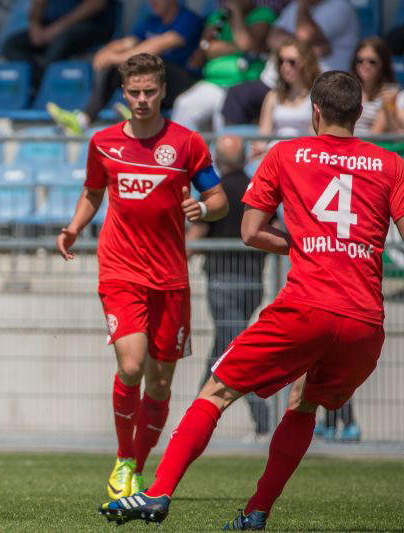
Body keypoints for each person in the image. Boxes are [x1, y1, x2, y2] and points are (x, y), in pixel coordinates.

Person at [100, 70, 404, 530]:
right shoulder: (392, 164)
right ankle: (256, 512)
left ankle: (157, 493)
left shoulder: (284, 154)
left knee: (216, 391)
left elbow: (249, 232)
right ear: (360, 113)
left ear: (314, 112)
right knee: (304, 402)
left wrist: (301, 243)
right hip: (364, 321)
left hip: (306, 307)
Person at [56, 53, 228, 501]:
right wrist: (75, 227)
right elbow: (93, 192)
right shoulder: (103, 143)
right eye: (134, 92)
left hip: (171, 277)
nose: (142, 100)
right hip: (121, 270)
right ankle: (123, 459)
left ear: (163, 91)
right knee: (131, 366)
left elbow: (220, 199)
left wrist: (205, 208)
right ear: (124, 92)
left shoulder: (188, 143)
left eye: (150, 91)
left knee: (160, 383)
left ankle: (138, 462)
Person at [186, 135, 270, 440]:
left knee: (234, 351)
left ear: (218, 160)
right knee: (223, 347)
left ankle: (266, 423)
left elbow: (196, 234)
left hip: (222, 281)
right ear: (245, 157)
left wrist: (176, 259)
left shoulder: (216, 194)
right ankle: (193, 421)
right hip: (253, 281)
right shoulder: (256, 188)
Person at [48, 0, 202, 135]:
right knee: (114, 67)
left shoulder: (188, 19)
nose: (151, 1)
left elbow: (157, 46)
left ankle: (141, 115)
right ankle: (83, 119)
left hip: (183, 84)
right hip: (155, 84)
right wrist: (105, 52)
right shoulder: (151, 22)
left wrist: (114, 58)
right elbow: (127, 42)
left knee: (149, 66)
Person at [221, 0, 358, 127]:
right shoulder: (295, 6)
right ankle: (232, 150)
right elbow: (272, 38)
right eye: (283, 60)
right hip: (279, 81)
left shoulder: (340, 6)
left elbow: (305, 33)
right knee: (237, 96)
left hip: (321, 86)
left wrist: (303, 7)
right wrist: (308, 47)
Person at [171, 0, 276, 131]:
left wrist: (236, 13)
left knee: (222, 116)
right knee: (184, 104)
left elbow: (247, 44)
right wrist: (238, 47)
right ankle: (181, 150)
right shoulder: (217, 16)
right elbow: (205, 49)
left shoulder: (263, 14)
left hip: (241, 85)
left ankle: (223, 151)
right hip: (212, 82)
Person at [1, 0, 116, 94]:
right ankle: (35, 79)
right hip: (50, 27)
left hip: (91, 26)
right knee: (11, 46)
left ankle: (42, 87)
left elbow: (96, 4)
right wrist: (35, 27)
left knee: (61, 42)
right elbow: (38, 4)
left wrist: (58, 28)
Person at [251, 39, 319, 159]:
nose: (285, 66)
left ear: (305, 62)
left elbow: (313, 139)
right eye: (281, 61)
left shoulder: (316, 97)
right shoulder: (272, 96)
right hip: (272, 156)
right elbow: (262, 137)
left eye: (292, 62)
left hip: (301, 157)